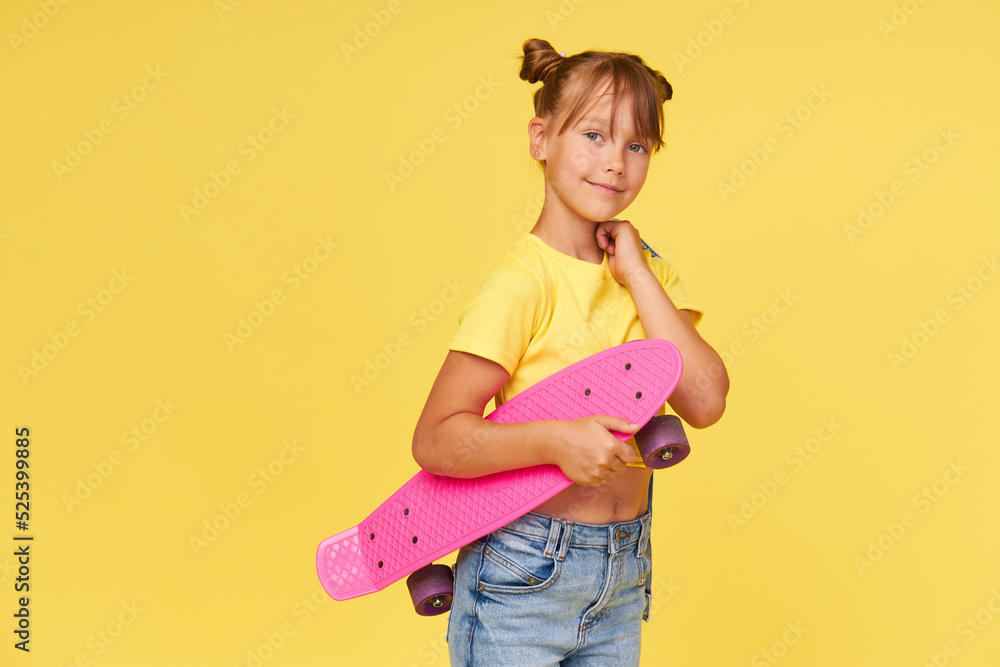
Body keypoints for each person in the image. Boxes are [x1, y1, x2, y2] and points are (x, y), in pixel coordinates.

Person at [411, 37, 729, 666]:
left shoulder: (649, 274)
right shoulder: (524, 283)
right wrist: (557, 443)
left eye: (636, 145)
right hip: (521, 573)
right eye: (593, 136)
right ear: (541, 140)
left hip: (622, 572)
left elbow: (706, 400)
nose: (615, 162)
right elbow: (437, 441)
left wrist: (637, 275)